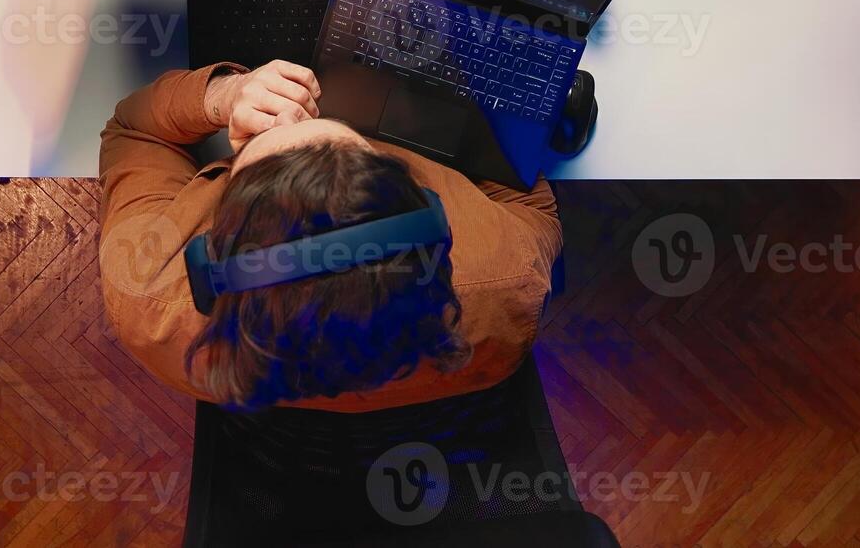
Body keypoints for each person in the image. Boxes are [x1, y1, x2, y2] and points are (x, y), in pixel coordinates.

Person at [98, 59, 560, 412]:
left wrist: (225, 95)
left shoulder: (145, 284)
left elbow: (131, 126)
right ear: (424, 205)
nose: (293, 115)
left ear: (214, 243)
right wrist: (444, 95)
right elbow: (529, 199)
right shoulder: (509, 274)